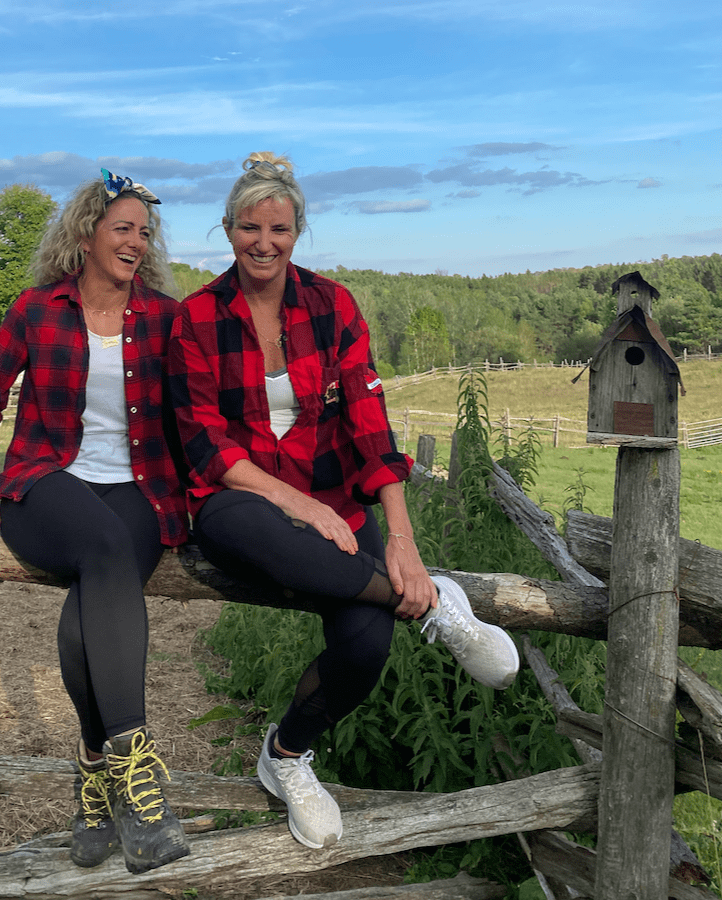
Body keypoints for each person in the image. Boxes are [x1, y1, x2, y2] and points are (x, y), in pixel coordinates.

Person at [168, 152, 519, 851]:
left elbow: (368, 425)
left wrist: (401, 539)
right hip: (235, 503)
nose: (263, 243)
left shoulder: (333, 305)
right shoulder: (196, 318)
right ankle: (435, 608)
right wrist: (300, 507)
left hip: (331, 494)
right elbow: (205, 447)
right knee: (265, 531)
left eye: (279, 228)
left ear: (299, 230)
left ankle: (286, 755)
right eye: (248, 227)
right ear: (227, 229)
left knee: (365, 642)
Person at [0, 169, 190, 875]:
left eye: (145, 232)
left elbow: (197, 410)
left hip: (139, 489)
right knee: (103, 544)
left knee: (96, 590)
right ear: (86, 234)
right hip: (44, 481)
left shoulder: (165, 318)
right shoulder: (37, 309)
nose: (137, 242)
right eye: (124, 228)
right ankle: (140, 787)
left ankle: (91, 771)